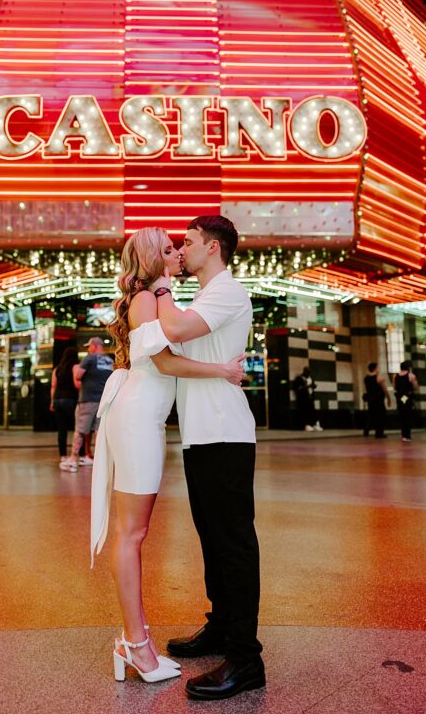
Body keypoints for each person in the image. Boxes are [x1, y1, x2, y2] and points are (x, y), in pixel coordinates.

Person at [90, 225, 245, 691]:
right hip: (138, 418)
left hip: (144, 417)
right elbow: (164, 362)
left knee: (134, 533)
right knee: (132, 534)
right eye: (170, 248)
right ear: (153, 257)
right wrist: (223, 369)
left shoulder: (155, 298)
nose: (179, 253)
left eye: (182, 246)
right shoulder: (146, 299)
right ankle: (136, 645)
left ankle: (134, 643)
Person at [143, 216, 264, 700]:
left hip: (226, 433)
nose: (182, 249)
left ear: (213, 248)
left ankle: (245, 658)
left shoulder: (228, 291)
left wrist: (160, 285)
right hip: (202, 435)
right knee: (212, 538)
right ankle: (220, 628)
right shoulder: (207, 294)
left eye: (189, 243)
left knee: (233, 543)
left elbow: (175, 327)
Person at [71, 338, 112, 465]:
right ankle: (100, 460)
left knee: (81, 430)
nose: (88, 349)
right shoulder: (110, 361)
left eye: (89, 347)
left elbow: (78, 376)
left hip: (88, 400)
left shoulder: (90, 358)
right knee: (99, 431)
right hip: (104, 401)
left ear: (94, 346)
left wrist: (76, 370)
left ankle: (73, 459)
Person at [50, 346, 80, 471]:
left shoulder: (57, 369)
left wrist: (52, 402)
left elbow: (53, 386)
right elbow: (76, 384)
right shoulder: (75, 367)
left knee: (62, 430)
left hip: (58, 400)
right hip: (71, 400)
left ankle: (63, 456)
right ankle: (80, 454)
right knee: (77, 429)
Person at [393, 360, 419, 442]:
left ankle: (403, 434)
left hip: (399, 397)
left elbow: (394, 386)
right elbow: (415, 386)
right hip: (407, 396)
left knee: (402, 415)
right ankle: (407, 435)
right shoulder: (411, 376)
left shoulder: (395, 376)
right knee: (407, 415)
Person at [363, 362, 389, 439]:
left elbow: (366, 389)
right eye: (377, 367)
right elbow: (384, 389)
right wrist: (388, 398)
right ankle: (379, 433)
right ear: (375, 368)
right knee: (380, 416)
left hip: (370, 399)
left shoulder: (366, 378)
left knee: (370, 415)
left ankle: (366, 430)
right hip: (378, 399)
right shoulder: (379, 378)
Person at [292, 366, 322, 431]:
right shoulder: (299, 378)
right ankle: (306, 425)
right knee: (305, 412)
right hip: (303, 399)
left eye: (310, 372)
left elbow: (311, 386)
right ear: (304, 371)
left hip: (310, 397)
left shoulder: (311, 378)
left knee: (312, 411)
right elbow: (298, 388)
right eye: (308, 372)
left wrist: (313, 386)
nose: (309, 374)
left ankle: (314, 424)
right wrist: (308, 386)